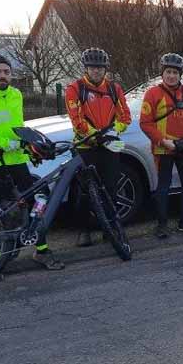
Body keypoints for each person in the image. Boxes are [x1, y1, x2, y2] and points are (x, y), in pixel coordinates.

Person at [0, 54, 64, 271]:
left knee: (36, 203)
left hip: (16, 160)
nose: (3, 76)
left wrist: (30, 146)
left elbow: (17, 128)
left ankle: (42, 250)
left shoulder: (16, 95)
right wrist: (10, 145)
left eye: (7, 72)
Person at [64, 48, 132, 247]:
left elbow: (125, 116)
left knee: (111, 189)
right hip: (86, 146)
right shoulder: (75, 88)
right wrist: (95, 135)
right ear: (86, 68)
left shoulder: (114, 88)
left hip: (110, 145)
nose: (96, 71)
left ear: (105, 69)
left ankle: (111, 230)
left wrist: (112, 131)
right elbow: (76, 119)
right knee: (85, 192)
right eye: (92, 67)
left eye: (100, 67)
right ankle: (84, 231)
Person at [140, 52, 183, 239]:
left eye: (175, 72)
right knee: (163, 187)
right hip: (163, 148)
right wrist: (163, 141)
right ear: (162, 73)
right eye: (168, 72)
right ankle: (162, 224)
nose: (171, 76)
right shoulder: (153, 93)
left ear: (180, 74)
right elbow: (145, 123)